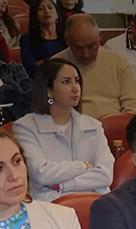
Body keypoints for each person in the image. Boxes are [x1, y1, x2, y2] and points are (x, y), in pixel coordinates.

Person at [14, 58, 114, 201]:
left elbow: (106, 174)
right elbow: (41, 173)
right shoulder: (25, 127)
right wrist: (82, 166)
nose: (75, 88)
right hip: (51, 204)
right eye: (66, 82)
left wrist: (62, 185)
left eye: (77, 81)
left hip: (96, 201)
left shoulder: (94, 125)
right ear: (49, 91)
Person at [54, 14, 136, 119]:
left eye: (91, 46)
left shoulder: (119, 62)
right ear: (67, 40)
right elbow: (47, 105)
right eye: (78, 48)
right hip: (71, 125)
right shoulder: (54, 65)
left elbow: (131, 108)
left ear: (99, 36)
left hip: (114, 125)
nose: (86, 54)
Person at [20, 0, 66, 78]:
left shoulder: (67, 35)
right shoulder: (27, 39)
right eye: (40, 9)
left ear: (57, 14)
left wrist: (44, 63)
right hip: (42, 80)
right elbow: (30, 68)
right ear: (34, 15)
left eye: (50, 7)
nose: (46, 11)